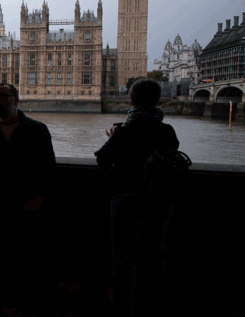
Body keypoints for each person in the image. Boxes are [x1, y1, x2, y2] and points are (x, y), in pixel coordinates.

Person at [95, 78, 180, 317]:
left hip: (128, 200)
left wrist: (113, 136)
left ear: (131, 99)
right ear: (158, 100)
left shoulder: (126, 130)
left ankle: (126, 310)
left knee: (124, 260)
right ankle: (156, 308)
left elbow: (103, 160)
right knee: (156, 254)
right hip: (161, 201)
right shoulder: (167, 129)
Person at [0, 83, 57, 315]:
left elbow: (48, 168)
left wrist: (40, 197)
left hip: (25, 205)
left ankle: (27, 303)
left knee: (26, 257)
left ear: (16, 100)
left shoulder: (37, 130)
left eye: (2, 96)